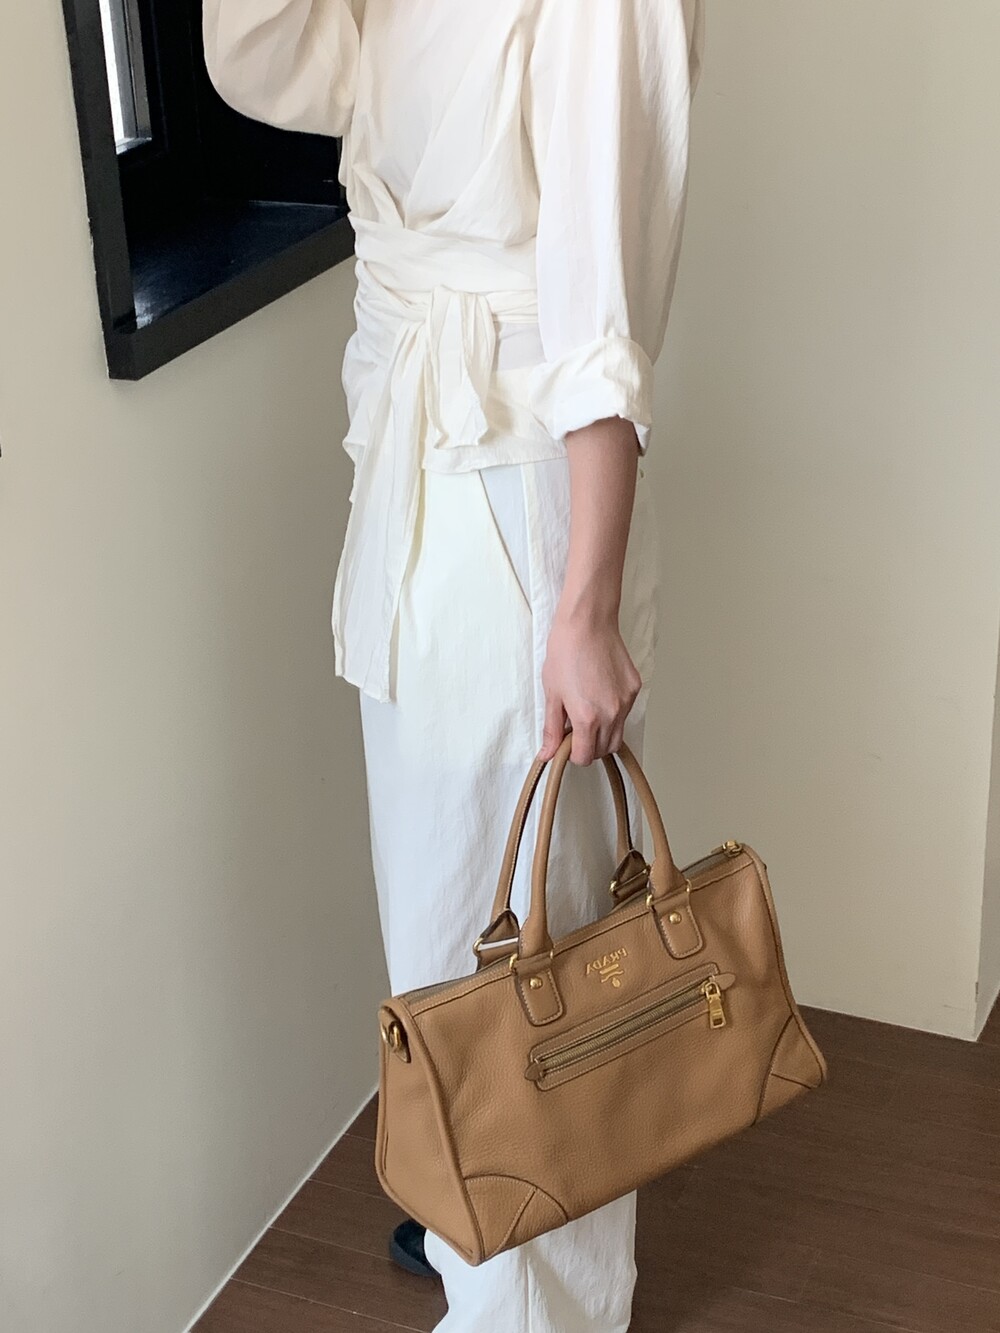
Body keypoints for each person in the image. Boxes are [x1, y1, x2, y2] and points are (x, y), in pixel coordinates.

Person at [202, 2, 704, 1329]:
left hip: (521, 497)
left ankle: (531, 1307)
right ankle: (488, 1249)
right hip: (419, 463)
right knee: (452, 932)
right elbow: (266, 62)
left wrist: (585, 606)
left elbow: (603, 306)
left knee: (533, 960)